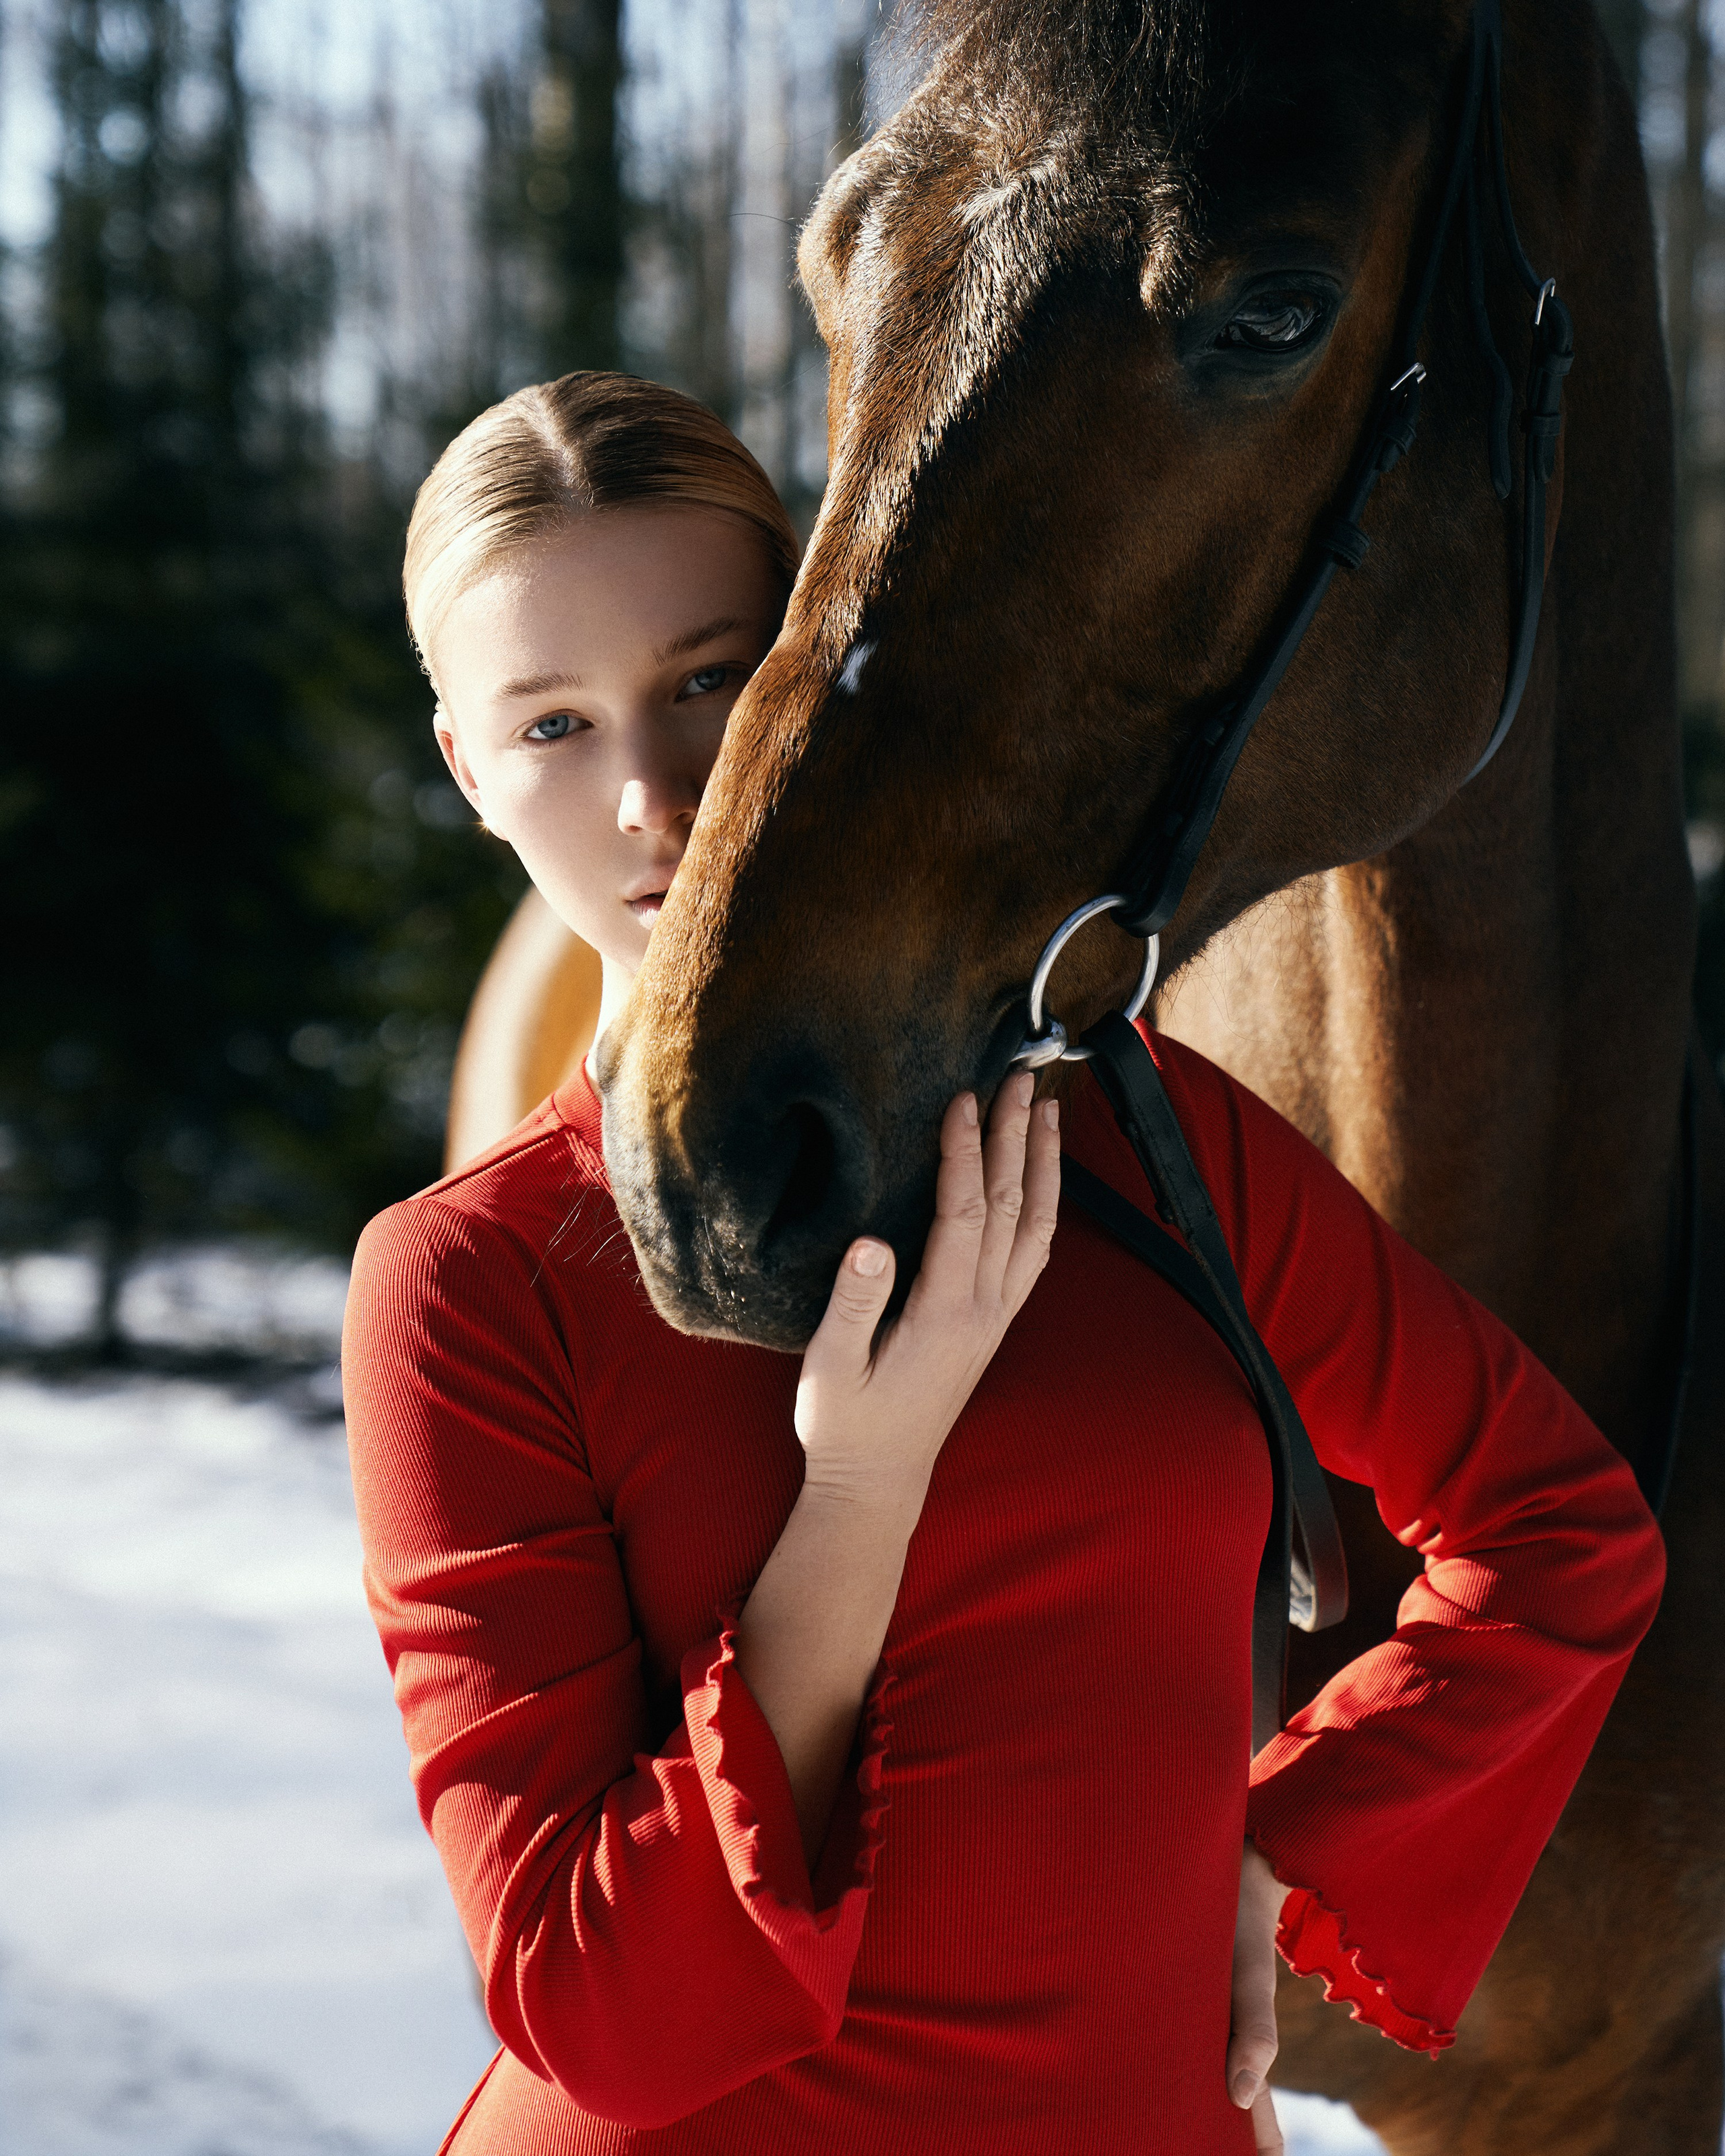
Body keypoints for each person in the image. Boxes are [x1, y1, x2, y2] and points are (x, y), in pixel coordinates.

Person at [342, 371, 1665, 2156]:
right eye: (555, 727)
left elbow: (1559, 1538)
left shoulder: (1156, 1143)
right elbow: (605, 2015)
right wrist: (858, 1499)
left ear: (818, 671)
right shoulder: (466, 1283)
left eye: (708, 679)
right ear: (467, 770)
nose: (651, 791)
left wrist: (1280, 1855)